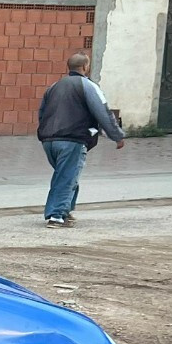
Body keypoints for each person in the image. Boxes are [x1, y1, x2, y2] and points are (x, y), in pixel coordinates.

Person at [37, 52, 125, 229]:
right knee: (67, 176)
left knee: (65, 174)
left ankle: (65, 210)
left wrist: (45, 133)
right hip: (72, 139)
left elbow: (42, 113)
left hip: (49, 140)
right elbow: (103, 112)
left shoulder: (53, 87)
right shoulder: (88, 86)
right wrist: (117, 135)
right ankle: (56, 216)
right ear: (85, 67)